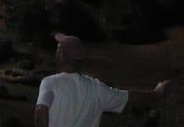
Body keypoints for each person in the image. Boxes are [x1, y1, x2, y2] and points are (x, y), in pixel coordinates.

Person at [34, 33, 168, 127]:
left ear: (61, 55)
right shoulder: (96, 88)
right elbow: (129, 98)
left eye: (58, 49)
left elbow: (41, 110)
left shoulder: (50, 82)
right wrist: (156, 92)